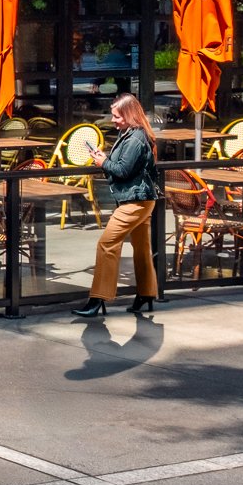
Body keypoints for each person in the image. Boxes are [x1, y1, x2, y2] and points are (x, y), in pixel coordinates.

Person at [73, 93, 160, 319]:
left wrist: (103, 162)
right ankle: (147, 294)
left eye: (117, 116)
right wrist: (105, 159)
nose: (113, 120)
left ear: (129, 115)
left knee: (106, 245)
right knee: (141, 248)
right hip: (140, 199)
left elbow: (122, 170)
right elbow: (122, 165)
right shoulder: (130, 134)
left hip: (136, 201)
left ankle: (98, 299)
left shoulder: (135, 138)